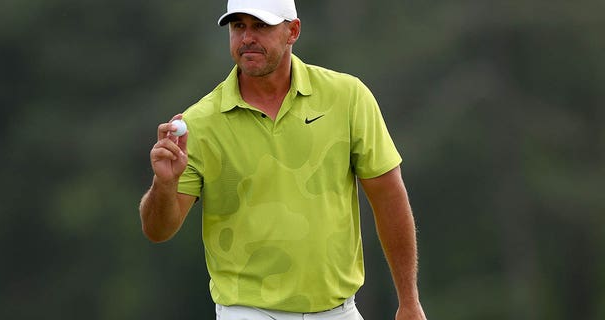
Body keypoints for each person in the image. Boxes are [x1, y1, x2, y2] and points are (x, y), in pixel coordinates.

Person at [139, 0, 427, 319]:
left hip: (339, 310)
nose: (247, 37)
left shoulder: (347, 98)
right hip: (247, 311)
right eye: (238, 27)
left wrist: (409, 301)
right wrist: (164, 184)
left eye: (260, 26)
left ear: (293, 31)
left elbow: (388, 197)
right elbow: (158, 230)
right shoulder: (200, 123)